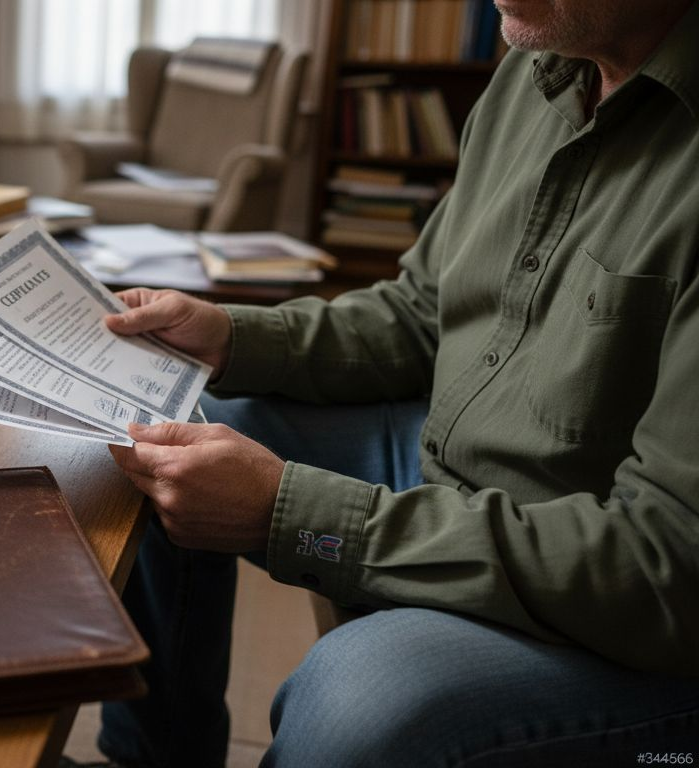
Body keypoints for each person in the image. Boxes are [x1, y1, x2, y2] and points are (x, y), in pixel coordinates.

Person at [93, 0, 699, 765]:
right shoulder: (532, 73)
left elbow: (668, 568)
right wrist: (230, 335)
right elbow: (423, 314)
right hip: (452, 469)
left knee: (360, 695)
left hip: (628, 609)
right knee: (174, 407)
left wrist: (294, 514)